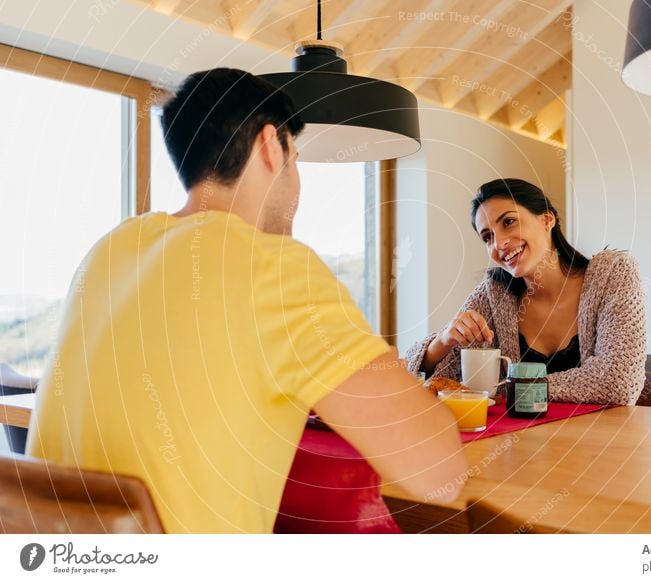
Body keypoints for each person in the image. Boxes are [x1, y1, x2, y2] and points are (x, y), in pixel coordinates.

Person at [26, 68, 466, 533]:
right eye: (296, 160)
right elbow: (441, 474)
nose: (298, 185)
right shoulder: (274, 267)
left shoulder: (107, 252)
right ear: (270, 148)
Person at [406, 178, 646, 405]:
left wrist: (511, 388)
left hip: (602, 443)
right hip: (522, 445)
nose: (499, 243)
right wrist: (442, 341)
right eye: (488, 237)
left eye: (508, 222)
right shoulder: (494, 295)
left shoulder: (613, 274)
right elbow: (423, 380)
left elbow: (618, 381)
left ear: (547, 220)